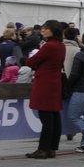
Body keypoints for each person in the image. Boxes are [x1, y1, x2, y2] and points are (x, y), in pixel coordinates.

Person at [23, 20, 66, 159]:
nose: (43, 30)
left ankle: (43, 149)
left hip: (45, 82)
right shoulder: (61, 45)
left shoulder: (49, 46)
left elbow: (31, 61)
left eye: (46, 28)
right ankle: (52, 148)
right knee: (54, 115)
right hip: (55, 82)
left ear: (53, 30)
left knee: (46, 117)